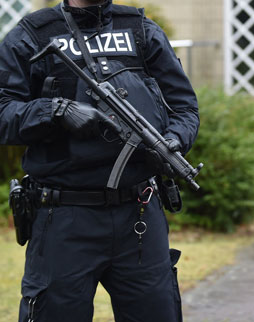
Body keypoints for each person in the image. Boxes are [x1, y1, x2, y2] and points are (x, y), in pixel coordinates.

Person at [0, 0, 199, 321]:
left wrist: (175, 141)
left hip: (139, 215)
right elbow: (3, 112)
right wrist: (56, 111)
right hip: (63, 219)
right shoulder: (32, 36)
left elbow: (185, 108)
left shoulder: (141, 31)